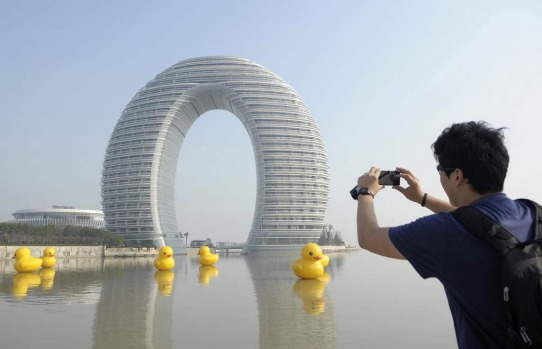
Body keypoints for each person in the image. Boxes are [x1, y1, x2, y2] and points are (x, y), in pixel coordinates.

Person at [354, 121, 535, 348]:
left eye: (441, 170)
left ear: (457, 176)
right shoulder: (533, 214)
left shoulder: (444, 233)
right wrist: (422, 198)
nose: (440, 177)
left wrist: (365, 192)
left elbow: (368, 237)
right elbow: (478, 224)